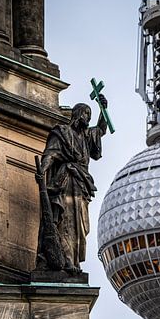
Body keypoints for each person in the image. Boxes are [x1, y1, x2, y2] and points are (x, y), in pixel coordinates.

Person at [36, 95, 108, 273]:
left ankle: (74, 261)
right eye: (86, 114)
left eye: (90, 116)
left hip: (81, 185)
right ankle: (67, 261)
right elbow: (51, 153)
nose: (88, 119)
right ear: (77, 115)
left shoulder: (86, 136)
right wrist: (42, 170)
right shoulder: (62, 132)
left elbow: (99, 130)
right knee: (65, 222)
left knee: (80, 226)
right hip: (66, 181)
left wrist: (103, 111)